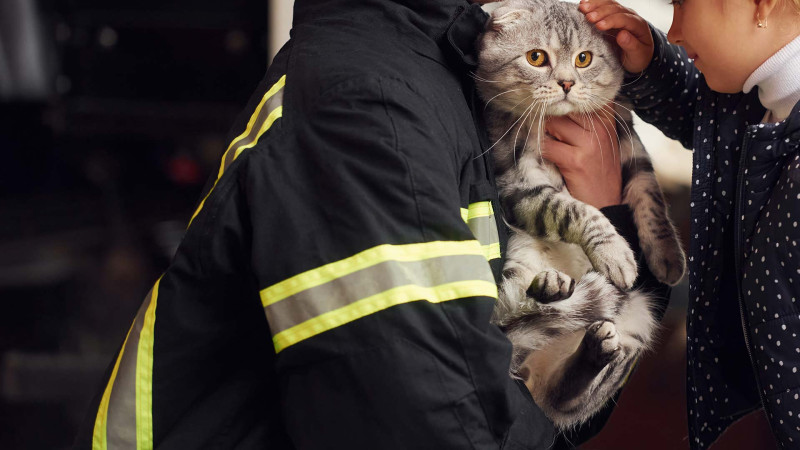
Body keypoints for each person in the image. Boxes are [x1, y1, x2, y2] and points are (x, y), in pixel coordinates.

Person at [74, 0, 668, 448]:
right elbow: (429, 417)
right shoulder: (370, 103)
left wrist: (607, 213)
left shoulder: (449, 66)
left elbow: (532, 384)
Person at [563, 0, 800, 448]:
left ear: (762, 5)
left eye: (682, 3)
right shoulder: (764, 103)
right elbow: (715, 122)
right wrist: (652, 63)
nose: (674, 31)